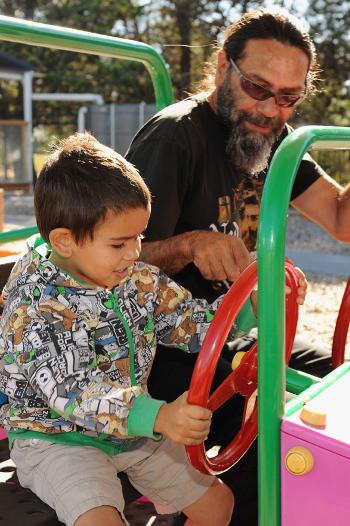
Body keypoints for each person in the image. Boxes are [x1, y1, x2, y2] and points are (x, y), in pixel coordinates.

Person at [126, 7, 348, 525]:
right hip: (164, 351)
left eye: (289, 96)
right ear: (223, 65)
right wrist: (186, 245)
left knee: (332, 383)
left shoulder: (273, 141)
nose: (271, 108)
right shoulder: (174, 139)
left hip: (233, 339)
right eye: (258, 86)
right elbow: (110, 262)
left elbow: (341, 218)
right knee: (269, 447)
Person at [0, 132, 242, 526]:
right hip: (57, 437)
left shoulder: (136, 280)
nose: (134, 252)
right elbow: (72, 390)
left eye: (140, 237)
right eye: (119, 243)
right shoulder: (32, 308)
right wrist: (159, 416)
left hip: (134, 430)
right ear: (64, 241)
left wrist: (248, 304)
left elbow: (192, 325)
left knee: (218, 505)